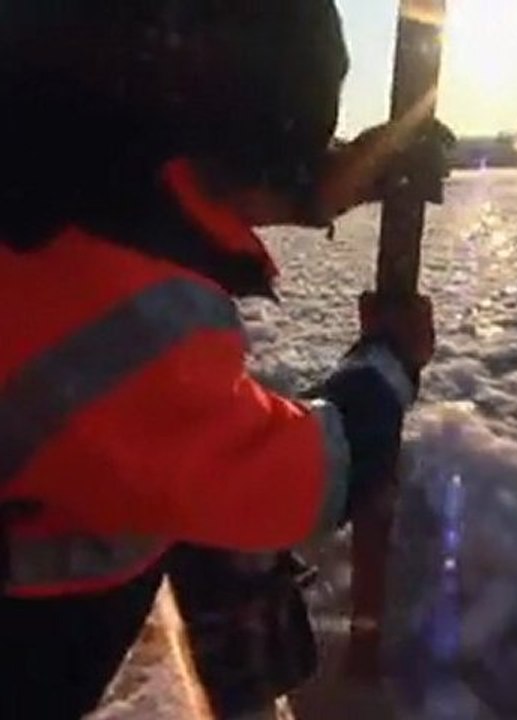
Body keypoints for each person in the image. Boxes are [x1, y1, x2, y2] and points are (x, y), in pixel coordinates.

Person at [0, 1, 448, 718]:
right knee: (229, 528)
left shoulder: (50, 170)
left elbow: (185, 189)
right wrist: (391, 358)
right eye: (285, 158)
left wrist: (338, 176)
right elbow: (306, 477)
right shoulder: (118, 321)